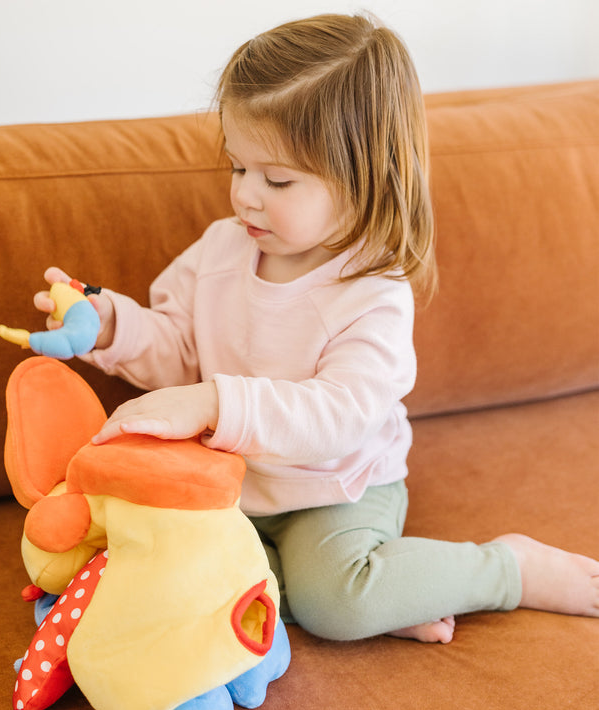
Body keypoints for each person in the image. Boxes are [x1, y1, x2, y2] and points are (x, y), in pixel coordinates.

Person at [34, 13, 599, 643]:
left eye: (276, 179)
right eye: (237, 168)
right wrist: (112, 325)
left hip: (337, 490)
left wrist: (213, 402)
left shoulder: (371, 293)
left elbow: (338, 417)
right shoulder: (222, 249)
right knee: (189, 582)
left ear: (364, 182)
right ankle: (396, 591)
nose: (246, 196)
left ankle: (507, 568)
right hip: (233, 487)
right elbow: (179, 349)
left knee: (336, 606)